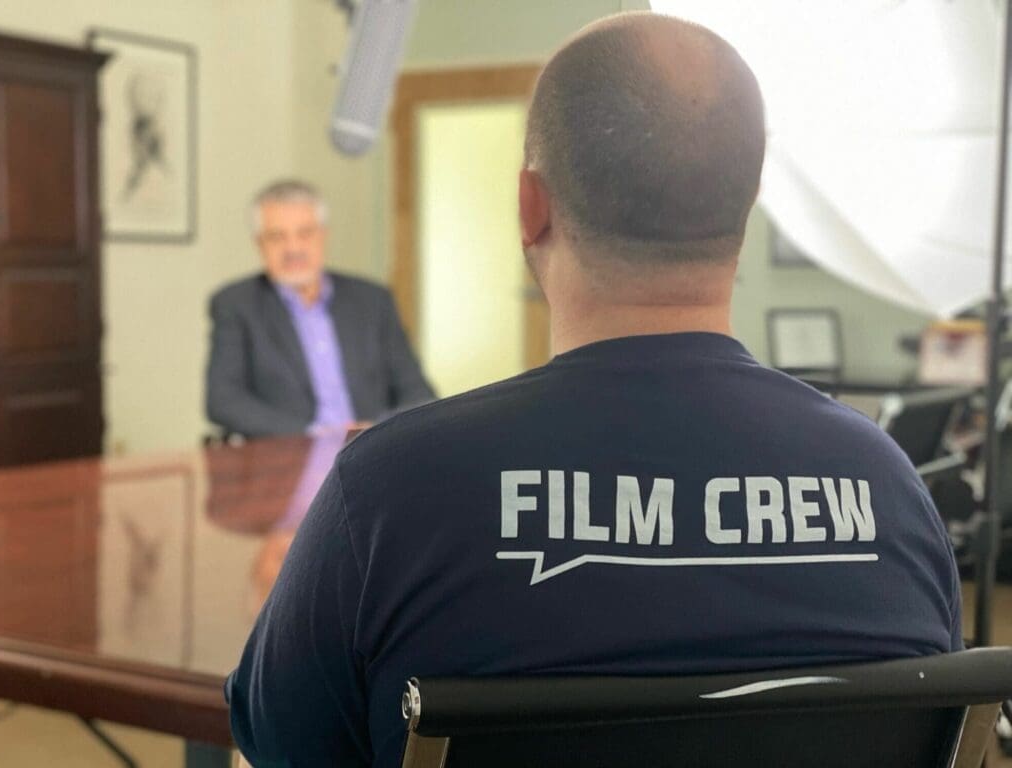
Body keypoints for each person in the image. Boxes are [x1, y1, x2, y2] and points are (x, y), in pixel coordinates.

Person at [226, 13, 962, 767]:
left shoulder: (385, 494)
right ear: (744, 208)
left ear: (529, 207)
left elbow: (281, 746)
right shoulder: (890, 487)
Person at [205, 180, 434, 437]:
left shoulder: (372, 300)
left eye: (305, 233)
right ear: (259, 244)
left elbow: (418, 393)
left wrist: (376, 433)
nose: (293, 249)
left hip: (371, 455)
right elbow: (223, 400)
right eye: (277, 237)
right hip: (289, 458)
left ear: (323, 235)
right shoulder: (236, 304)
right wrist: (314, 435)